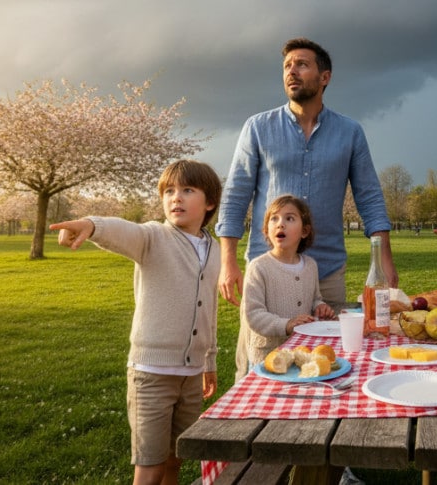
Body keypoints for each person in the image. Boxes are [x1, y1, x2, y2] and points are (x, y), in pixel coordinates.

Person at [216, 37, 396, 380]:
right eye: (287, 66)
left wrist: (385, 259)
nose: (292, 71)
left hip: (326, 274)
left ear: (324, 77)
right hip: (268, 272)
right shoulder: (257, 127)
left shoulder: (350, 132)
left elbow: (370, 197)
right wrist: (228, 262)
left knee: (328, 366)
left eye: (301, 64)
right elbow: (236, 194)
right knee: (259, 366)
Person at [49, 159, 222, 485]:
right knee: (150, 466)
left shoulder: (214, 250)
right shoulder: (154, 237)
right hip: (151, 374)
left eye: (187, 190)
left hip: (191, 376)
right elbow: (124, 231)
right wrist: (91, 225)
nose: (176, 197)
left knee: (176, 459)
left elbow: (209, 309)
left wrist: (209, 361)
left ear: (210, 202)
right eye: (168, 191)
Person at [237, 194, 335, 379]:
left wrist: (320, 307)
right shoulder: (259, 267)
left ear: (304, 231)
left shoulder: (310, 265)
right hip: (267, 359)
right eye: (274, 218)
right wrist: (287, 324)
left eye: (289, 218)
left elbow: (315, 298)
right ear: (266, 229)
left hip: (301, 354)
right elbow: (254, 314)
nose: (280, 224)